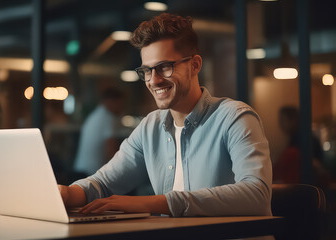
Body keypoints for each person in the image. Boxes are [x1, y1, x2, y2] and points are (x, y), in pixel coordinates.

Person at [59, 13, 272, 218]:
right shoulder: (150, 127)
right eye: (147, 71)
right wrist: (67, 194)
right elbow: (103, 184)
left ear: (195, 65)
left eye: (164, 67)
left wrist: (152, 203)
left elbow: (257, 194)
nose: (154, 80)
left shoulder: (234, 117)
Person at [73, 88, 124, 176]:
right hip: (91, 173)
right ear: (111, 101)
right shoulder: (107, 117)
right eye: (119, 103)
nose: (121, 107)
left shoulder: (96, 114)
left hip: (82, 169)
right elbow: (110, 151)